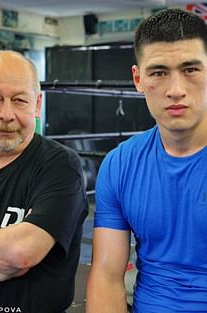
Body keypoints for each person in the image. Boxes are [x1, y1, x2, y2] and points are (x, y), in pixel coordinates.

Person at [87, 9, 207, 312]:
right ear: (138, 79)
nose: (176, 90)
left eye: (191, 69)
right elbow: (107, 276)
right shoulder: (119, 165)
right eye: (159, 72)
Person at [0, 50, 88, 313]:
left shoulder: (60, 165)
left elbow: (22, 252)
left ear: (37, 105)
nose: (6, 114)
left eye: (19, 101)